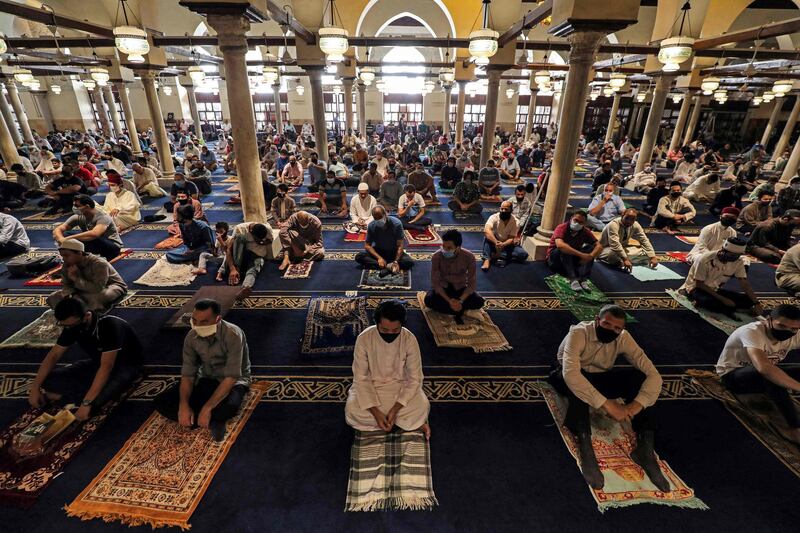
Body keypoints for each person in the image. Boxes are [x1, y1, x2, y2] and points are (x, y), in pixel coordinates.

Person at [548, 304, 668, 491]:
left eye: (617, 328)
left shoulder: (623, 338)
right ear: (597, 320)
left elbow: (654, 375)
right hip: (564, 374)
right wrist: (608, 405)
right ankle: (585, 444)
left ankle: (645, 447)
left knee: (640, 378)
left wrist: (633, 407)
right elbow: (571, 374)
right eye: (606, 324)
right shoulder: (579, 332)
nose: (611, 330)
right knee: (579, 388)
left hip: (598, 376)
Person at [28, 297, 143, 422]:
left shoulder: (109, 326)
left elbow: (106, 367)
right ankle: (77, 397)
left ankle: (74, 398)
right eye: (64, 325)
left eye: (70, 325)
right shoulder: (72, 327)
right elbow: (53, 355)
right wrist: (35, 388)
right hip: (97, 363)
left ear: (86, 316)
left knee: (95, 402)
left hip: (125, 366)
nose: (68, 328)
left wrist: (86, 404)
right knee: (46, 380)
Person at [154, 299, 251, 442]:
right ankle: (211, 420)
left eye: (204, 322)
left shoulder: (232, 334)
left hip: (233, 381)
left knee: (229, 408)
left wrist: (207, 408)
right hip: (207, 377)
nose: (197, 325)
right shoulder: (191, 337)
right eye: (195, 320)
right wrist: (184, 405)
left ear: (218, 319)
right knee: (161, 401)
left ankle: (206, 415)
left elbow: (232, 376)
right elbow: (188, 374)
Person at [345, 299, 430, 439]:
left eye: (395, 330)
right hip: (371, 387)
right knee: (352, 410)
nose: (390, 334)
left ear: (402, 325)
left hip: (400, 388)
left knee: (421, 406)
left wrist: (395, 409)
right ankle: (404, 423)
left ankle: (387, 422)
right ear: (376, 323)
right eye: (384, 330)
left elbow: (415, 378)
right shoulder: (364, 338)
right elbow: (360, 377)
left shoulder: (409, 339)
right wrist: (375, 412)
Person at [716, 304, 800, 443]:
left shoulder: (795, 333)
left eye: (793, 328)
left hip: (761, 374)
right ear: (768, 320)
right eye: (782, 326)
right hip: (734, 377)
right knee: (771, 377)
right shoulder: (752, 331)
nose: (788, 331)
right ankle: (794, 429)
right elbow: (764, 368)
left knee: (775, 375)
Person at [679, 237, 763, 317]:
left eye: (738, 255)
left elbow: (744, 283)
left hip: (715, 289)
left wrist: (756, 303)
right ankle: (692, 297)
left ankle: (727, 307)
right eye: (733, 255)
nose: (735, 258)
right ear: (723, 250)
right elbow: (699, 284)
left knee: (748, 301)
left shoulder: (738, 261)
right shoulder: (705, 259)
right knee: (710, 302)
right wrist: (723, 299)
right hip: (696, 288)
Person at [46, 239, 127, 312]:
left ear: (79, 253)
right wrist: (71, 296)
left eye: (66, 255)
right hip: (82, 290)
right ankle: (76, 309)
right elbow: (66, 284)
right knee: (53, 297)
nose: (63, 259)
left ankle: (85, 314)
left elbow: (97, 288)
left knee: (94, 299)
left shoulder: (99, 263)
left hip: (110, 286)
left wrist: (75, 278)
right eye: (62, 256)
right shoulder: (67, 264)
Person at [423, 229, 484, 324]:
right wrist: (449, 300)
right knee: (428, 300)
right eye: (443, 246)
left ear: (458, 247)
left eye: (449, 248)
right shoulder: (436, 256)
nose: (444, 250)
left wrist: (460, 300)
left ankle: (450, 310)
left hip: (460, 289)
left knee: (479, 301)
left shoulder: (469, 257)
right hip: (444, 289)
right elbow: (436, 283)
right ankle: (462, 311)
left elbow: (472, 284)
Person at [54, 195, 123, 261]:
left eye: (77, 206)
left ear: (87, 206)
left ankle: (88, 256)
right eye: (74, 205)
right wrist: (61, 239)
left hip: (112, 246)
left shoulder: (103, 217)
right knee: (65, 233)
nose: (74, 208)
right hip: (94, 242)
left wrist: (68, 239)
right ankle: (77, 257)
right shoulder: (79, 216)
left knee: (93, 238)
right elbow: (58, 229)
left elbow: (95, 234)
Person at [547, 210, 603, 291]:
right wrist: (581, 255)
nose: (577, 223)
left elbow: (599, 246)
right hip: (555, 260)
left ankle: (583, 279)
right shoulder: (562, 227)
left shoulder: (585, 231)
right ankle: (573, 278)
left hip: (571, 260)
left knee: (591, 249)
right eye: (576, 220)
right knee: (564, 248)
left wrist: (590, 256)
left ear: (584, 224)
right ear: (571, 218)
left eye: (581, 222)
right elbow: (560, 245)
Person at [221, 222, 273, 300]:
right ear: (251, 232)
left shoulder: (267, 229)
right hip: (241, 257)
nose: (260, 240)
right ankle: (236, 271)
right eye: (257, 238)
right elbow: (229, 250)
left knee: (255, 268)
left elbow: (270, 242)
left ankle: (246, 287)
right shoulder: (240, 229)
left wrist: (263, 245)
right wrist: (232, 269)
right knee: (240, 237)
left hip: (257, 256)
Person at [355, 206, 413, 272]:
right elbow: (367, 245)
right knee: (359, 257)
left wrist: (396, 261)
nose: (378, 220)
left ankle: (384, 266)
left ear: (385, 214)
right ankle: (389, 267)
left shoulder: (396, 224)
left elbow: (400, 245)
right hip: (379, 251)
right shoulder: (371, 226)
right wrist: (379, 258)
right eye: (375, 218)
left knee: (408, 262)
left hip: (394, 252)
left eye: (380, 217)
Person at [481, 201, 528, 271]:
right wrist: (496, 242)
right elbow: (486, 230)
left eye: (506, 209)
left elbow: (511, 238)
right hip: (494, 242)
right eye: (502, 209)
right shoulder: (494, 217)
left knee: (523, 255)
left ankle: (497, 255)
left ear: (511, 210)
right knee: (488, 236)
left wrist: (503, 244)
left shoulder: (516, 222)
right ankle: (487, 259)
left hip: (507, 244)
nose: (503, 211)